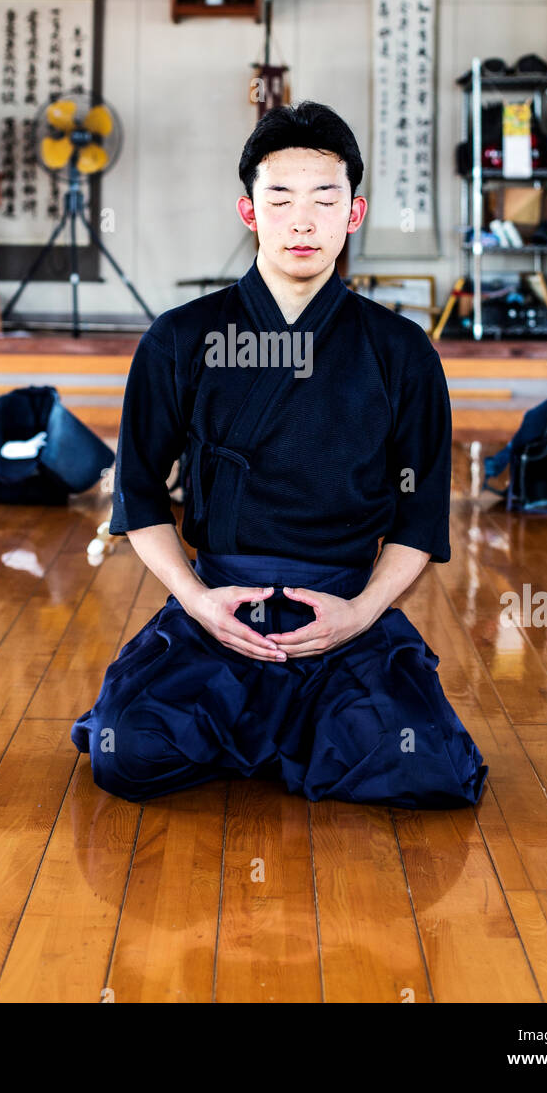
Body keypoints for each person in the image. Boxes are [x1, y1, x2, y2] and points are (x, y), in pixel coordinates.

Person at [71, 101, 488, 809]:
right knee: (128, 751)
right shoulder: (180, 337)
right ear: (248, 210)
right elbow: (139, 496)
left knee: (433, 768)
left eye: (325, 199)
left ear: (352, 214)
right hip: (223, 609)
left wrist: (359, 615)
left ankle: (287, 723)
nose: (302, 220)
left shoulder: (400, 351)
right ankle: (289, 728)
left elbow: (420, 520)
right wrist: (198, 602)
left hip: (343, 609)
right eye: (281, 198)